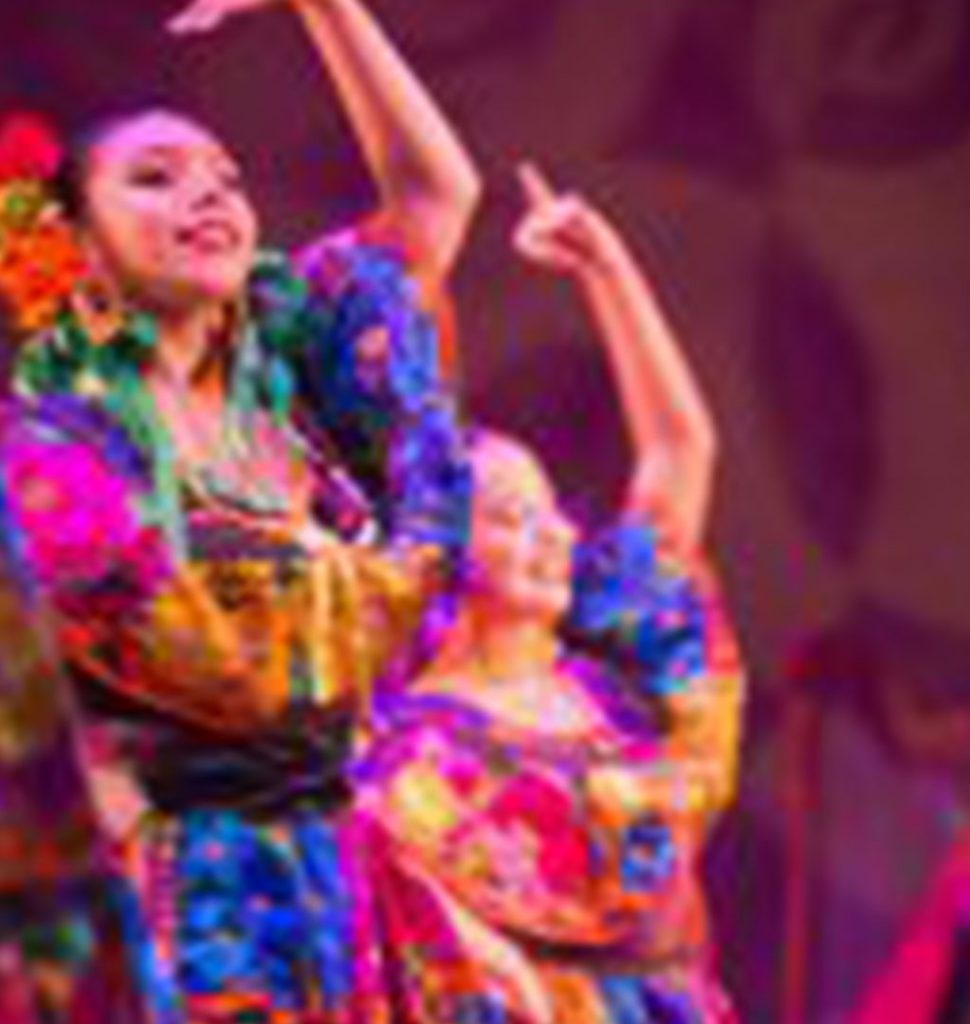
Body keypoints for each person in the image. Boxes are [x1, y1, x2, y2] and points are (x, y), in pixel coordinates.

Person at [0, 0, 479, 1018]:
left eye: (225, 177)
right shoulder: (54, 452)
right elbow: (167, 674)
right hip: (176, 893)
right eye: (156, 177)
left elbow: (436, 198)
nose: (208, 194)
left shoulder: (295, 383)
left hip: (341, 879)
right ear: (73, 242)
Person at [352, 164, 745, 1023]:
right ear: (442, 552)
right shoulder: (410, 751)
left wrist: (607, 270)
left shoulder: (611, 684)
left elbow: (680, 454)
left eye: (552, 509)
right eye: (511, 515)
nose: (556, 531)